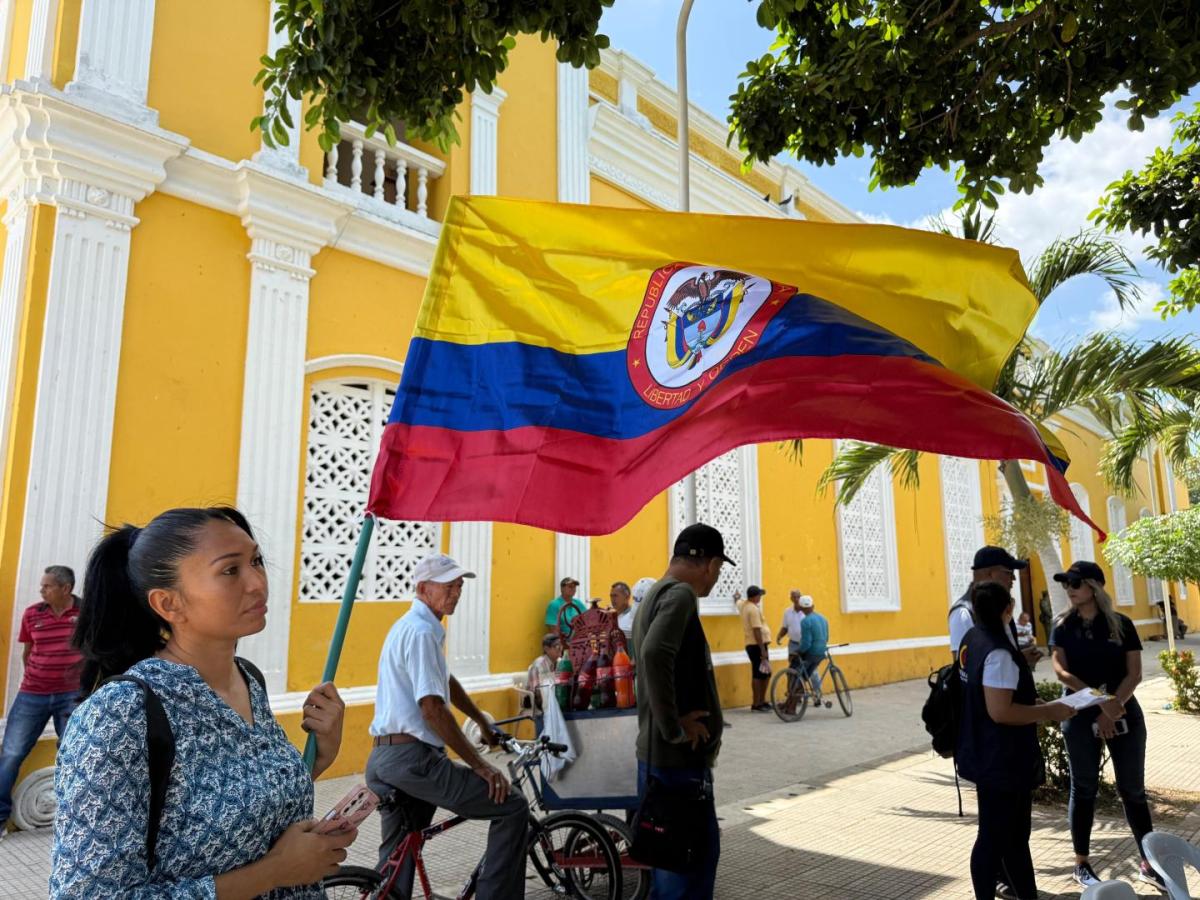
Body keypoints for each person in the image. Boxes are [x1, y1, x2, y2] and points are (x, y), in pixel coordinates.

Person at [51, 507, 353, 897]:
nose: (258, 583)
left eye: (256, 561)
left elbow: (232, 811)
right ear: (168, 604)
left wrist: (319, 758)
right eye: (231, 570)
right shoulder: (121, 714)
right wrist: (274, 872)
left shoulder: (248, 679)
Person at [366, 553, 528, 900]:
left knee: (397, 859)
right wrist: (482, 765)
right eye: (448, 586)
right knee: (512, 806)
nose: (456, 593)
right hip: (414, 758)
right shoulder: (423, 632)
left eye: (459, 586)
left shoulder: (412, 627)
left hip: (385, 759)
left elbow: (446, 682)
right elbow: (433, 709)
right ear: (423, 588)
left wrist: (482, 720)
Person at [1049, 561, 1166, 891]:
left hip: (1124, 710)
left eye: (1075, 582)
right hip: (1083, 712)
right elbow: (1062, 673)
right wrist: (1102, 702)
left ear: (1094, 587)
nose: (1069, 588)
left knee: (1133, 791)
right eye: (1065, 583)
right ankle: (1082, 864)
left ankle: (1148, 863)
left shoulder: (1122, 625)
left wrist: (1113, 709)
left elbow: (1135, 674)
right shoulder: (1061, 625)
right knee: (1083, 788)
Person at [957, 581, 1074, 900]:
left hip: (985, 752)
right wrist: (1051, 710)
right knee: (997, 838)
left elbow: (990, 694)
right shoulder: (999, 653)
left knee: (1011, 838)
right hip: (1002, 760)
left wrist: (1031, 699)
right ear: (1008, 610)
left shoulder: (973, 639)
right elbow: (1000, 711)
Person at [633, 523, 729, 900]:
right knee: (687, 873)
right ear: (710, 563)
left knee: (672, 867)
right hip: (676, 764)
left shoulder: (654, 594)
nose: (716, 580)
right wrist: (674, 728)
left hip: (663, 763)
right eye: (718, 570)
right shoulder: (682, 596)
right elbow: (655, 654)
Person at [0, 565, 81, 833]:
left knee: (73, 755)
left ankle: (73, 818)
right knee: (11, 754)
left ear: (65, 588)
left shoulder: (86, 613)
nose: (41, 590)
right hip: (32, 694)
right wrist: (39, 678)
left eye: (47, 586)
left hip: (72, 696)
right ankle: (0, 819)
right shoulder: (32, 613)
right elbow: (28, 652)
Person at [950, 546, 1042, 668]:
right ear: (990, 574)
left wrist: (1020, 658)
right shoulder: (964, 613)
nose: (1013, 579)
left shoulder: (1000, 606)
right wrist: (1019, 660)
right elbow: (965, 668)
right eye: (1009, 573)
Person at [739, 585, 771, 711]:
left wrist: (736, 597)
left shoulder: (744, 605)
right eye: (759, 595)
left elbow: (738, 601)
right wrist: (762, 649)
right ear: (754, 596)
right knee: (761, 674)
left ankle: (760, 701)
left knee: (761, 673)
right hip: (757, 645)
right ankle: (758, 703)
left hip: (751, 644)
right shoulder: (753, 610)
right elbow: (756, 630)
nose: (760, 597)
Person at [796, 595, 829, 699]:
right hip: (821, 653)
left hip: (811, 654)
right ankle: (816, 694)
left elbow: (806, 643)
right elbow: (826, 637)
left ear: (801, 608)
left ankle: (793, 702)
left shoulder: (805, 621)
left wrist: (798, 651)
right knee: (809, 673)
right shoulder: (823, 618)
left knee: (795, 673)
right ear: (813, 606)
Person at [526, 634, 563, 709]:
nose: (560, 649)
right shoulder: (538, 665)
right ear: (546, 649)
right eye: (556, 646)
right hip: (540, 707)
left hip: (558, 702)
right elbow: (537, 694)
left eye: (561, 645)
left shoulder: (561, 663)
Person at [775, 590, 807, 667]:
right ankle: (793, 678)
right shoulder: (787, 612)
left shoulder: (806, 611)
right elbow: (785, 627)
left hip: (805, 643)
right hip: (793, 643)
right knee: (792, 665)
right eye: (794, 597)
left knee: (808, 667)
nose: (796, 599)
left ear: (801, 597)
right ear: (791, 599)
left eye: (798, 597)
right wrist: (779, 636)